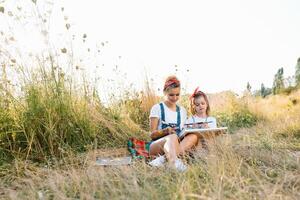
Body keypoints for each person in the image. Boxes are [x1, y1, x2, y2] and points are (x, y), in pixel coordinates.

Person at [148, 76, 188, 171]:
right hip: (157, 146)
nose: (174, 98)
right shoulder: (157, 108)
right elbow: (152, 135)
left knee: (194, 137)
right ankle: (174, 164)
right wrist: (165, 131)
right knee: (172, 137)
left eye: (177, 95)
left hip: (175, 144)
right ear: (165, 92)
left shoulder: (182, 111)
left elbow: (183, 131)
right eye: (171, 95)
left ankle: (163, 159)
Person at [179, 87, 217, 154]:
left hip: (208, 146)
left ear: (207, 104)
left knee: (209, 137)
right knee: (195, 137)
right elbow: (182, 134)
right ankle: (197, 156)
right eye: (197, 105)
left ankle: (209, 156)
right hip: (194, 148)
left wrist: (208, 129)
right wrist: (191, 129)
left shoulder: (212, 120)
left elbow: (215, 135)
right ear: (194, 107)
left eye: (203, 103)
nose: (200, 106)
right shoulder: (190, 120)